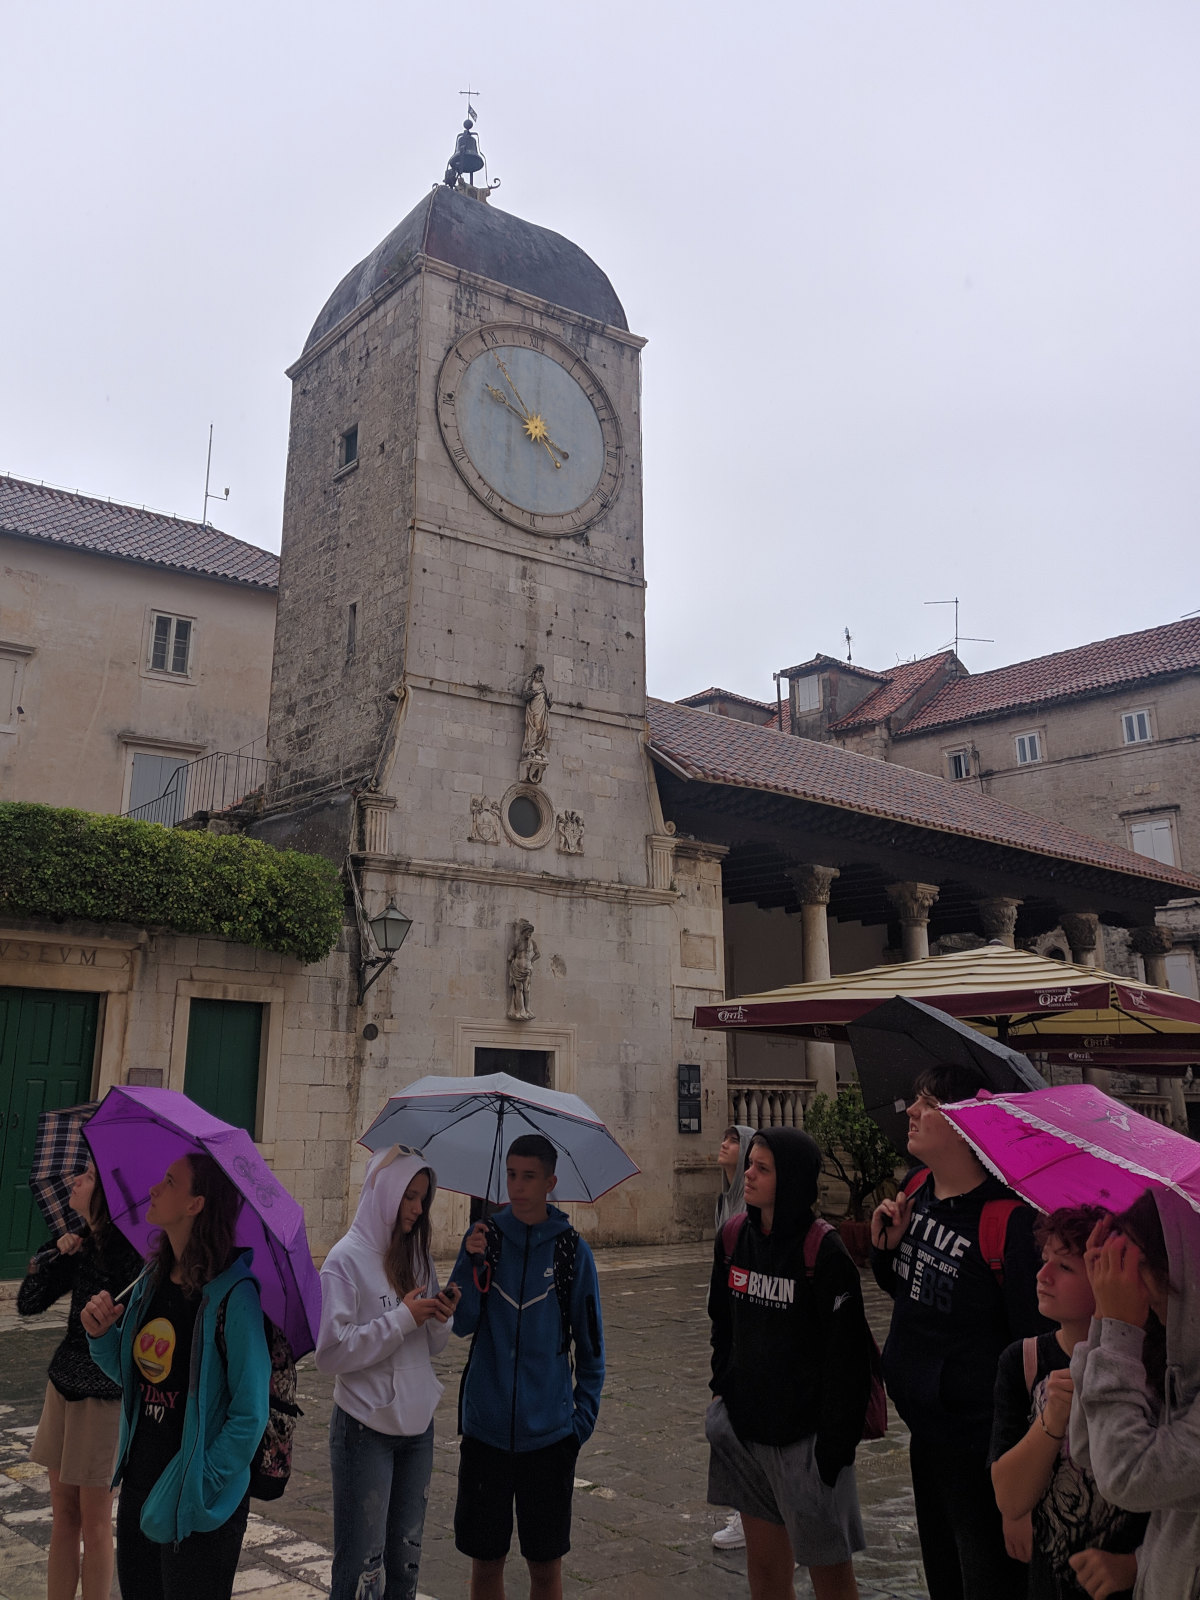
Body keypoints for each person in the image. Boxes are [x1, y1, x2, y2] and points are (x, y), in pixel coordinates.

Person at [871, 1062, 1047, 1600]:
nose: (912, 1111)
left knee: (987, 1582)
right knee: (944, 1577)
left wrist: (1022, 1487)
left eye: (930, 1104)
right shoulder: (916, 1189)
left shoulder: (1007, 1222)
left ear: (970, 1124)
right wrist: (886, 1249)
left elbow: (1033, 1347)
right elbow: (909, 1289)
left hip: (982, 1446)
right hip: (925, 1431)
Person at [81, 1152, 269, 1600]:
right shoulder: (151, 1279)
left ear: (195, 1204)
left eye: (169, 1181)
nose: (154, 1189)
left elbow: (250, 1413)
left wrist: (201, 1483)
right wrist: (101, 1336)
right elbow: (136, 1375)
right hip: (142, 1486)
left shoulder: (234, 1297)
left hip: (200, 1502)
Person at [707, 1127, 873, 1600]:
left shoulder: (824, 1251)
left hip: (807, 1441)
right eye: (750, 1165)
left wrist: (834, 1450)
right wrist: (724, 1388)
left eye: (763, 1168)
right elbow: (721, 1321)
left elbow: (848, 1358)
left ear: (793, 1179)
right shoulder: (733, 1237)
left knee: (830, 1575)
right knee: (764, 1570)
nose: (749, 1174)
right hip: (748, 1433)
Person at [449, 1133, 604, 1600]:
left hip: (549, 1438)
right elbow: (461, 1323)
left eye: (529, 1177)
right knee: (485, 1564)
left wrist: (579, 1423)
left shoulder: (572, 1252)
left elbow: (591, 1348)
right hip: (486, 1432)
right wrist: (469, 1262)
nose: (517, 1187)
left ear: (550, 1183)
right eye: (512, 1175)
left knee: (545, 1569)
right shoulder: (485, 1241)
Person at [316, 1145, 459, 1600]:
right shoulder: (345, 1261)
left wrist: (439, 1318)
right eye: (408, 1197)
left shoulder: (417, 1257)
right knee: (362, 1568)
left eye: (423, 1198)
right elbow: (330, 1352)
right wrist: (402, 1319)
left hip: (418, 1429)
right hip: (365, 1429)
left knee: (405, 1565)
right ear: (385, 1193)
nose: (417, 1208)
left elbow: (431, 1346)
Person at [990, 1205, 1146, 1599]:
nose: (1042, 1276)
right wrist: (1052, 1417)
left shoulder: (1150, 1369)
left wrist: (1135, 1565)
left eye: (1065, 1267)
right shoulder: (1023, 1362)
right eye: (1045, 1260)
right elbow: (1009, 1498)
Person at [18, 1162, 144, 1600]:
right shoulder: (81, 1243)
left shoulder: (128, 1254)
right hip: (62, 1388)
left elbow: (134, 1332)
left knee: (95, 1521)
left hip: (102, 1397)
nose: (75, 1180)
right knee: (63, 1515)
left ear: (106, 1192)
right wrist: (53, 1252)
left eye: (87, 1176)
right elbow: (29, 1302)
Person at [1070, 1187, 1200, 1599]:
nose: (1132, 1284)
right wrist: (1102, 1318)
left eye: (1136, 1265)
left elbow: (1125, 1476)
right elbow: (1088, 1450)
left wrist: (1118, 1332)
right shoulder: (1175, 1358)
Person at [711, 1122, 756, 1553]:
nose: (723, 1145)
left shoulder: (748, 1207)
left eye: (732, 1141)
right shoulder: (725, 1199)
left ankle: (752, 1515)